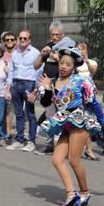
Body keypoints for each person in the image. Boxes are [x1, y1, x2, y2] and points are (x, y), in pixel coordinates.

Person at [38, 47, 104, 206]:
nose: (63, 66)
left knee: (74, 159)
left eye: (68, 64)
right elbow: (46, 104)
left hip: (80, 121)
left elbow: (92, 102)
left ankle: (84, 192)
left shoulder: (80, 81)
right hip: (65, 124)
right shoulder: (54, 81)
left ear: (74, 67)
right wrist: (47, 89)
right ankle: (71, 194)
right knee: (56, 159)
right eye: (61, 63)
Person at [34, 21, 70, 155]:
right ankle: (49, 144)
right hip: (48, 87)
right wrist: (42, 54)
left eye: (57, 35)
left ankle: (63, 147)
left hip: (63, 87)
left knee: (63, 116)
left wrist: (57, 58)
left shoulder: (68, 47)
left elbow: (72, 65)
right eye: (52, 35)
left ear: (63, 34)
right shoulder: (48, 46)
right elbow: (36, 66)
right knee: (50, 116)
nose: (54, 38)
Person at [5, 29, 40, 152]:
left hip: (29, 84)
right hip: (16, 84)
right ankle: (19, 140)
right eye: (20, 38)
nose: (22, 40)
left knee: (30, 114)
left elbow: (39, 72)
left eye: (25, 38)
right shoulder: (15, 53)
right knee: (18, 114)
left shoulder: (36, 53)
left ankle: (31, 141)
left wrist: (35, 90)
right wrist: (8, 90)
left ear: (29, 40)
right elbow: (11, 72)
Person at [76, 41, 100, 161]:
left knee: (87, 122)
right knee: (79, 122)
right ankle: (87, 149)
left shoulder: (91, 62)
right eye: (78, 49)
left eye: (82, 49)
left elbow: (93, 71)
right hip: (76, 95)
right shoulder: (74, 63)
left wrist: (85, 61)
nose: (80, 51)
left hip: (88, 95)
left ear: (86, 51)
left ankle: (87, 149)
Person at [1, 32, 17, 142]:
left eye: (12, 39)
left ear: (15, 41)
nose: (9, 41)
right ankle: (6, 132)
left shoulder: (18, 53)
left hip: (14, 85)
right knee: (4, 110)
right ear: (4, 42)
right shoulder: (1, 54)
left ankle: (8, 131)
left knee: (10, 110)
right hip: (1, 85)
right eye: (7, 40)